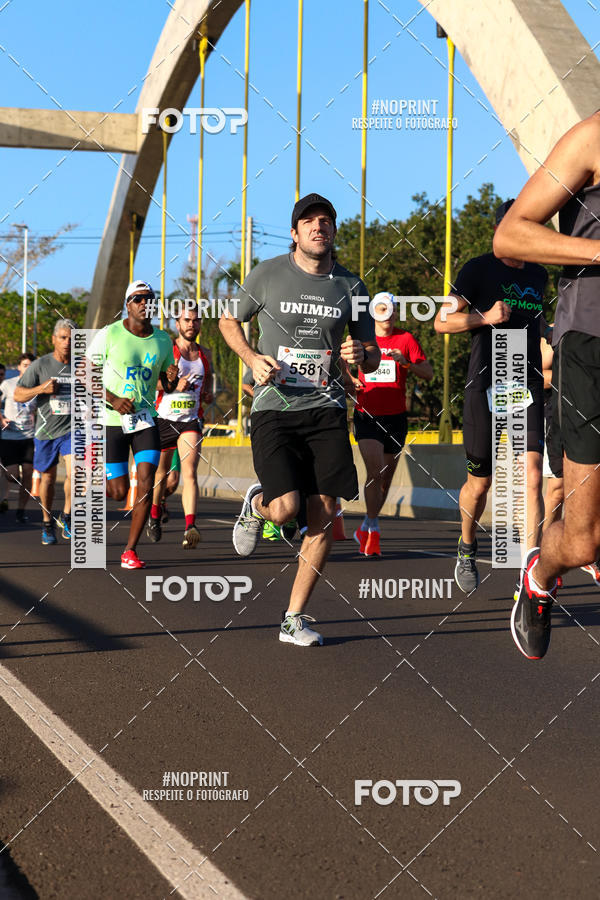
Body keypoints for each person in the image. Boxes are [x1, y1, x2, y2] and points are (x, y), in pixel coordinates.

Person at [219, 192, 379, 646]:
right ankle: (257, 506)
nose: (317, 227)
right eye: (308, 221)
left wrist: (361, 353)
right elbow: (229, 322)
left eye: (325, 220)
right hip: (274, 408)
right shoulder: (268, 274)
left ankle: (294, 618)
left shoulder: (353, 287)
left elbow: (371, 353)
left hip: (326, 409)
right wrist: (251, 357)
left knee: (325, 513)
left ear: (333, 231)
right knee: (286, 508)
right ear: (294, 233)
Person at [494, 113, 600, 658]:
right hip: (591, 347)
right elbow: (510, 235)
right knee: (582, 540)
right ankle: (538, 576)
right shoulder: (593, 136)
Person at [435, 200, 551, 594]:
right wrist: (484, 317)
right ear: (502, 230)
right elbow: (441, 322)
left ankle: (530, 573)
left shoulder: (539, 274)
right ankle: (467, 544)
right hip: (487, 383)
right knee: (480, 484)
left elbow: (541, 327)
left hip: (526, 383)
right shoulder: (477, 269)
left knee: (531, 475)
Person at [88, 280, 177, 568]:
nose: (144, 303)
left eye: (149, 298)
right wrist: (112, 398)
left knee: (147, 484)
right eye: (138, 298)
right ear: (128, 304)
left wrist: (171, 380)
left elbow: (166, 383)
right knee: (118, 492)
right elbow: (84, 374)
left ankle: (130, 551)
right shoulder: (109, 334)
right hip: (112, 420)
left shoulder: (163, 340)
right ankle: (103, 486)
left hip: (144, 421)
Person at [351, 293, 433, 557]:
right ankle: (374, 528)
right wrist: (351, 380)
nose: (389, 316)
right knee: (374, 471)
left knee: (385, 478)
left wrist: (405, 362)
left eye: (393, 311)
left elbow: (428, 373)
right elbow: (340, 363)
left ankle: (366, 524)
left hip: (396, 417)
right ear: (374, 313)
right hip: (367, 413)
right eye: (383, 311)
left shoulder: (406, 339)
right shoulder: (363, 338)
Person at [147, 302, 212, 549]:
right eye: (187, 320)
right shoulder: (166, 351)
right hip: (164, 419)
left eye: (195, 321)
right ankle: (154, 514)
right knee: (161, 475)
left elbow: (207, 386)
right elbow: (151, 383)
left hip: (190, 421)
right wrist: (173, 385)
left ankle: (190, 526)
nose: (191, 325)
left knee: (189, 474)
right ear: (178, 324)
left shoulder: (204, 354)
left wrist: (207, 396)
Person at [14, 322, 75, 545]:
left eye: (71, 338)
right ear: (53, 339)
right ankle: (47, 522)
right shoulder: (41, 365)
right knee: (47, 479)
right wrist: (42, 389)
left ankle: (67, 516)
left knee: (78, 474)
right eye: (63, 338)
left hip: (73, 430)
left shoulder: (83, 366)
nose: (67, 343)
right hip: (47, 431)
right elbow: (18, 395)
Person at [0, 352, 36, 522]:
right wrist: (1, 419)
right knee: (11, 474)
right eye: (25, 365)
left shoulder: (37, 385)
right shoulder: (7, 384)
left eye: (31, 365)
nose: (28, 368)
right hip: (9, 437)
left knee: (28, 473)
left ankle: (21, 511)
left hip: (29, 437)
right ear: (20, 366)